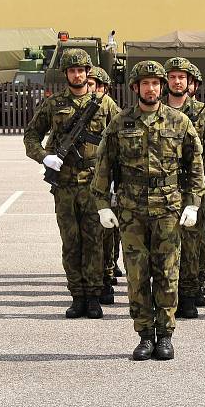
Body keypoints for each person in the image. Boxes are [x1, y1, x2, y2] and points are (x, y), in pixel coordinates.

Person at [91, 60, 205, 361]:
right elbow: (104, 166)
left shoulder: (180, 123)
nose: (151, 88)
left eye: (156, 83)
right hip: (132, 211)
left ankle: (165, 335)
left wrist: (193, 202)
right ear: (135, 88)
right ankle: (144, 335)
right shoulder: (120, 123)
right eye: (145, 84)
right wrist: (102, 204)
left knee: (168, 273)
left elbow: (195, 166)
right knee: (137, 275)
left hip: (168, 208)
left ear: (161, 87)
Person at [23, 49, 115, 319]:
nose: (77, 74)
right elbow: (31, 136)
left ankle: (94, 297)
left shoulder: (105, 105)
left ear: (89, 73)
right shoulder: (53, 104)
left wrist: (114, 177)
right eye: (72, 71)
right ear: (66, 74)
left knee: (95, 242)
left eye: (81, 70)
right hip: (64, 186)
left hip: (93, 186)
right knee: (71, 242)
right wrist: (45, 157)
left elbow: (121, 137)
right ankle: (77, 296)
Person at [162, 57, 205, 318]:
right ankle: (169, 294)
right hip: (163, 191)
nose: (177, 81)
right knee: (165, 244)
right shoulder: (155, 111)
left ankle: (190, 292)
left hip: (194, 190)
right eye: (173, 77)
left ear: (190, 83)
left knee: (193, 243)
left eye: (182, 77)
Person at [87, 66, 123, 304]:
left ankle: (108, 273)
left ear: (103, 87)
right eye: (88, 83)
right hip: (87, 176)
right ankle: (99, 276)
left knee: (109, 233)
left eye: (94, 84)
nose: (90, 88)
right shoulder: (85, 105)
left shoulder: (110, 107)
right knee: (96, 232)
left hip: (106, 175)